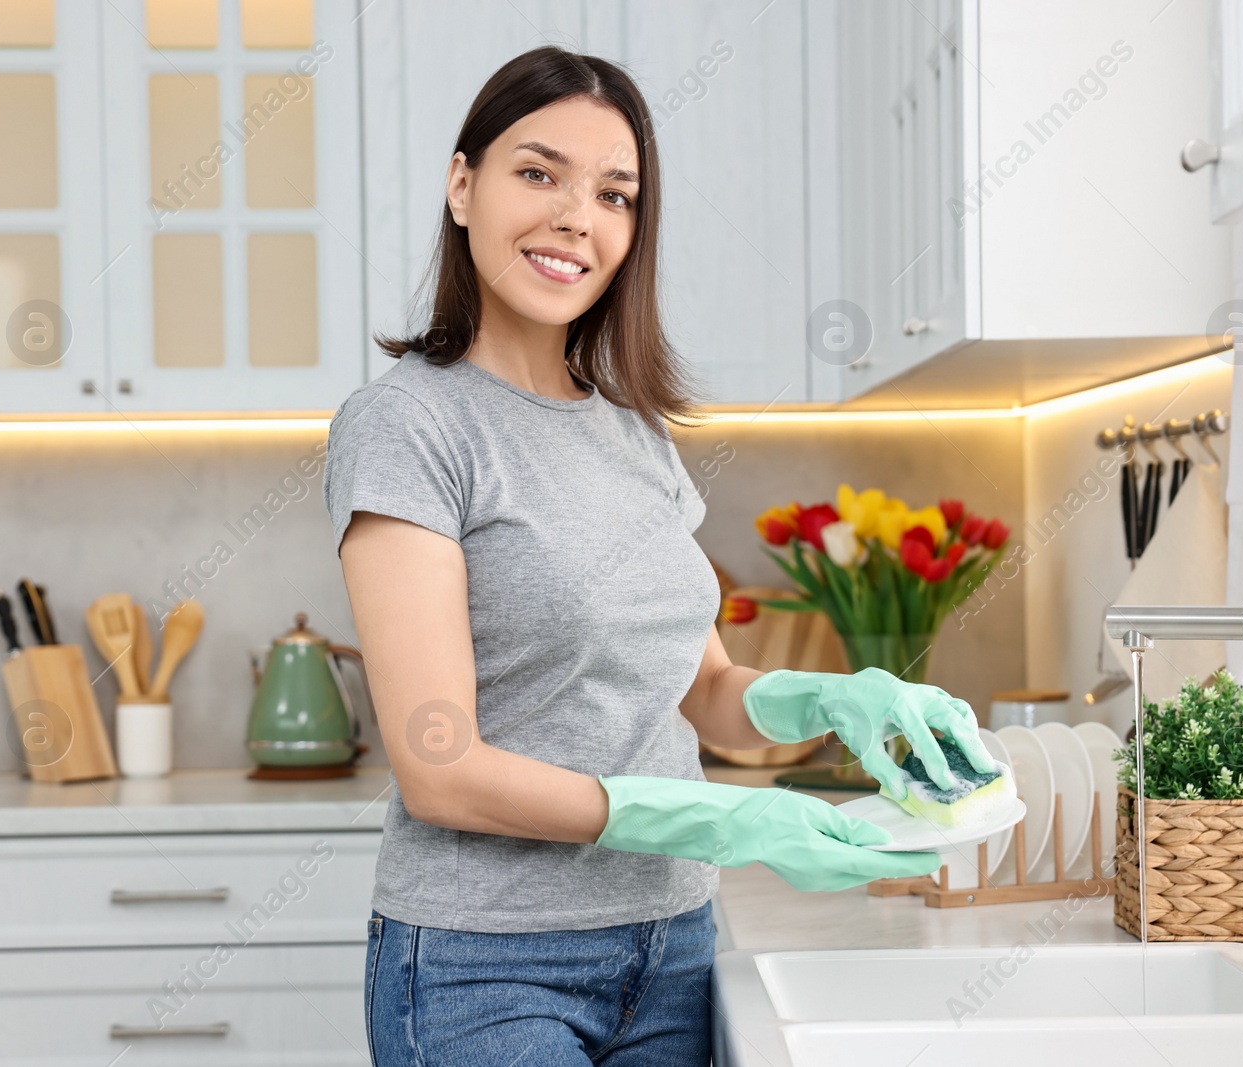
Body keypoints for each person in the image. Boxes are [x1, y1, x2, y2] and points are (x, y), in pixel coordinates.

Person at [325, 44, 995, 1067]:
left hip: (674, 948)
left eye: (614, 194)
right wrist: (721, 818)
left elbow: (706, 689)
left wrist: (828, 699)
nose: (575, 218)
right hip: (485, 966)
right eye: (537, 173)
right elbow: (438, 766)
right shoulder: (409, 424)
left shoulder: (634, 432)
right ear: (462, 186)